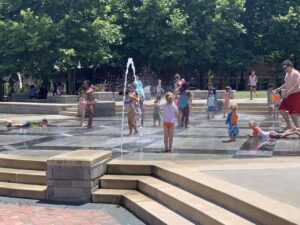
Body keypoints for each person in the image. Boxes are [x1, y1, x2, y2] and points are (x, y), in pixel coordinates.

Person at [275, 59, 300, 129]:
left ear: (290, 66)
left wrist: (288, 92)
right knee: (281, 109)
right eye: (283, 68)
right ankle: (289, 125)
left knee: (292, 113)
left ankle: (297, 128)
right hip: (288, 95)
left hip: (295, 94)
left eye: (285, 68)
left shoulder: (296, 73)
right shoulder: (287, 73)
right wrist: (279, 88)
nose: (284, 70)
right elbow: (286, 83)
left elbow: (296, 84)